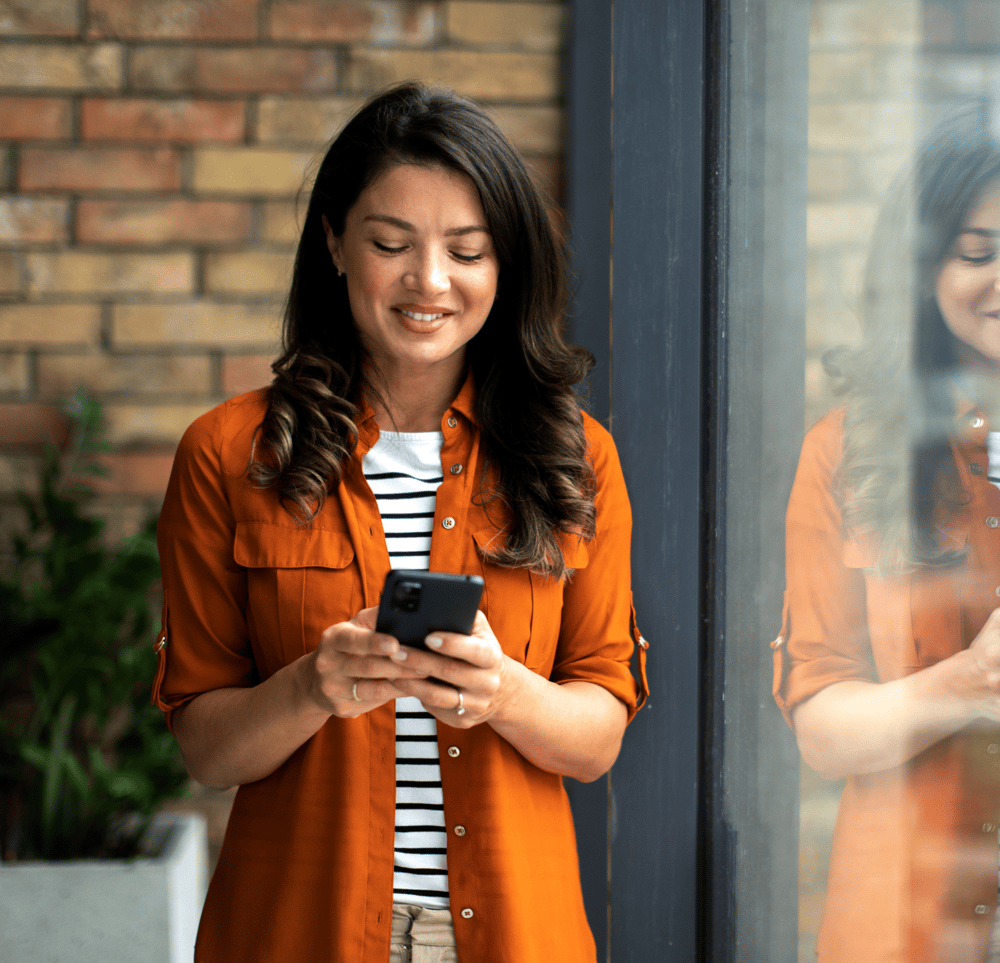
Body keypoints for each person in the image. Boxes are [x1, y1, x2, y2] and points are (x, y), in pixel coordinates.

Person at [152, 82, 648, 963]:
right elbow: (207, 748)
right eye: (391, 243)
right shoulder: (228, 454)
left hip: (514, 937)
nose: (430, 281)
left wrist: (503, 693)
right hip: (300, 934)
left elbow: (598, 733)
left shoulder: (578, 458)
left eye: (468, 250)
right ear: (336, 242)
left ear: (507, 266)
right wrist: (313, 684)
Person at [773, 112, 1000, 963]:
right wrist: (967, 685)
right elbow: (824, 730)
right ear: (922, 270)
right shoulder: (847, 451)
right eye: (976, 252)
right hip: (904, 921)